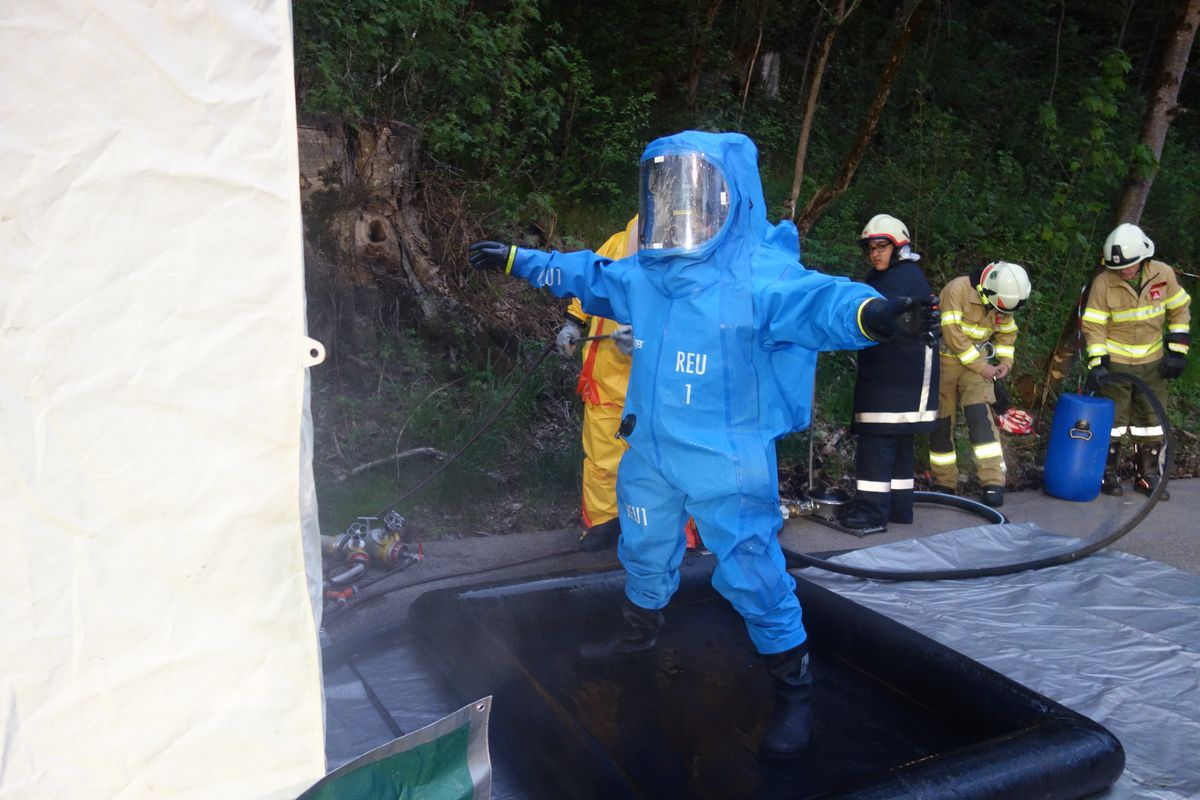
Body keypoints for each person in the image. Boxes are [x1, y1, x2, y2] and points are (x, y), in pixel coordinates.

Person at [468, 130, 938, 760]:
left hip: (725, 460)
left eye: (697, 191)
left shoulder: (759, 278)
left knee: (750, 570)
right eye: (670, 191)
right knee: (643, 547)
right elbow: (591, 272)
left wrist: (876, 315)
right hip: (652, 451)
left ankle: (794, 690)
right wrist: (517, 260)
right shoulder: (649, 275)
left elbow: (821, 301)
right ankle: (636, 641)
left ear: (731, 197)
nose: (682, 209)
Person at [837, 214, 939, 534]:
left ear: (899, 248)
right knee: (899, 444)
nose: (875, 254)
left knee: (876, 443)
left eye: (882, 246)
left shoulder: (896, 281)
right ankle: (899, 506)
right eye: (870, 248)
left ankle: (870, 511)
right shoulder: (906, 276)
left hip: (892, 379)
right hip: (905, 378)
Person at [1083, 223, 1190, 500]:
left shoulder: (1163, 274)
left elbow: (1179, 309)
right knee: (1113, 421)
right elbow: (1093, 325)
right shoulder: (1103, 283)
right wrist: (1097, 362)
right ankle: (1107, 472)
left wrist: (1177, 351)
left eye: (1129, 266)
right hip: (1117, 362)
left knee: (1151, 420)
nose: (1124, 271)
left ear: (1144, 258)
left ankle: (1148, 475)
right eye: (1118, 267)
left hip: (1153, 362)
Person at [556, 216, 639, 551]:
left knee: (659, 463)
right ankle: (604, 524)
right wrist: (574, 324)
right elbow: (590, 281)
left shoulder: (686, 249)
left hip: (653, 385)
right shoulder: (619, 242)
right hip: (605, 375)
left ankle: (663, 530)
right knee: (602, 458)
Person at [929, 261, 1031, 507]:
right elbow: (952, 334)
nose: (1002, 313)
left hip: (977, 366)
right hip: (944, 362)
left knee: (980, 420)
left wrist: (1005, 361)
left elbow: (1007, 332)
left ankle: (992, 482)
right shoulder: (957, 290)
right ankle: (945, 482)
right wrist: (981, 365)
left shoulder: (1004, 298)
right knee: (942, 422)